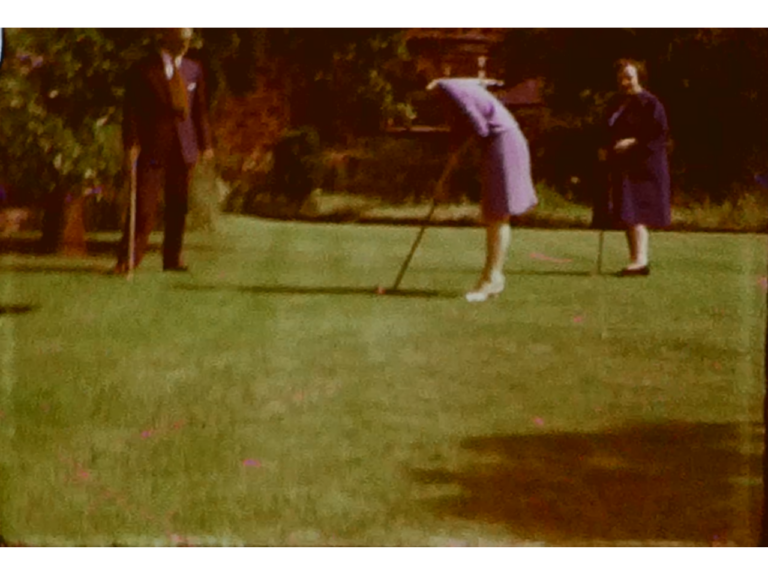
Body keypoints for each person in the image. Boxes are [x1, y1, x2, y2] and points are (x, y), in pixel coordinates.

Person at [428, 78, 538, 303]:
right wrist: (454, 156)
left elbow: (479, 127)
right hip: (499, 142)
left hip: (503, 142)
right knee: (493, 213)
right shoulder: (455, 89)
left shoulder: (450, 89)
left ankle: (492, 279)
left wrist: (458, 157)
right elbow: (465, 128)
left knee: (498, 213)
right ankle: (491, 278)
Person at [114, 26, 213, 275]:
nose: (185, 45)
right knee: (144, 207)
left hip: (184, 148)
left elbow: (200, 111)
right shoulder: (143, 70)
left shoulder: (194, 69)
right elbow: (132, 113)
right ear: (166, 37)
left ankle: (173, 258)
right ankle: (128, 258)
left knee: (178, 206)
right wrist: (131, 145)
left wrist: (206, 145)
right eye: (180, 39)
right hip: (152, 148)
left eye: (188, 40)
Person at [596, 59, 671, 277]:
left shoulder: (651, 104)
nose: (624, 81)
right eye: (621, 77)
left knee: (636, 212)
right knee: (626, 213)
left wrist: (633, 142)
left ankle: (640, 261)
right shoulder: (617, 102)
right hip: (623, 165)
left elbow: (658, 134)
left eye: (629, 77)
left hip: (643, 167)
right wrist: (603, 147)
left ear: (639, 77)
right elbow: (607, 128)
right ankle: (636, 259)